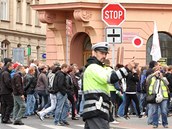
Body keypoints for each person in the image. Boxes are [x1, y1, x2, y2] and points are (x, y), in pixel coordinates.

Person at [83, 42, 135, 129]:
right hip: (96, 108)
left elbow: (114, 75)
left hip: (97, 109)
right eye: (101, 53)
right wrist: (127, 69)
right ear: (95, 52)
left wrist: (126, 70)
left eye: (105, 54)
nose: (104, 56)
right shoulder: (93, 67)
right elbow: (111, 78)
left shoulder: (101, 68)